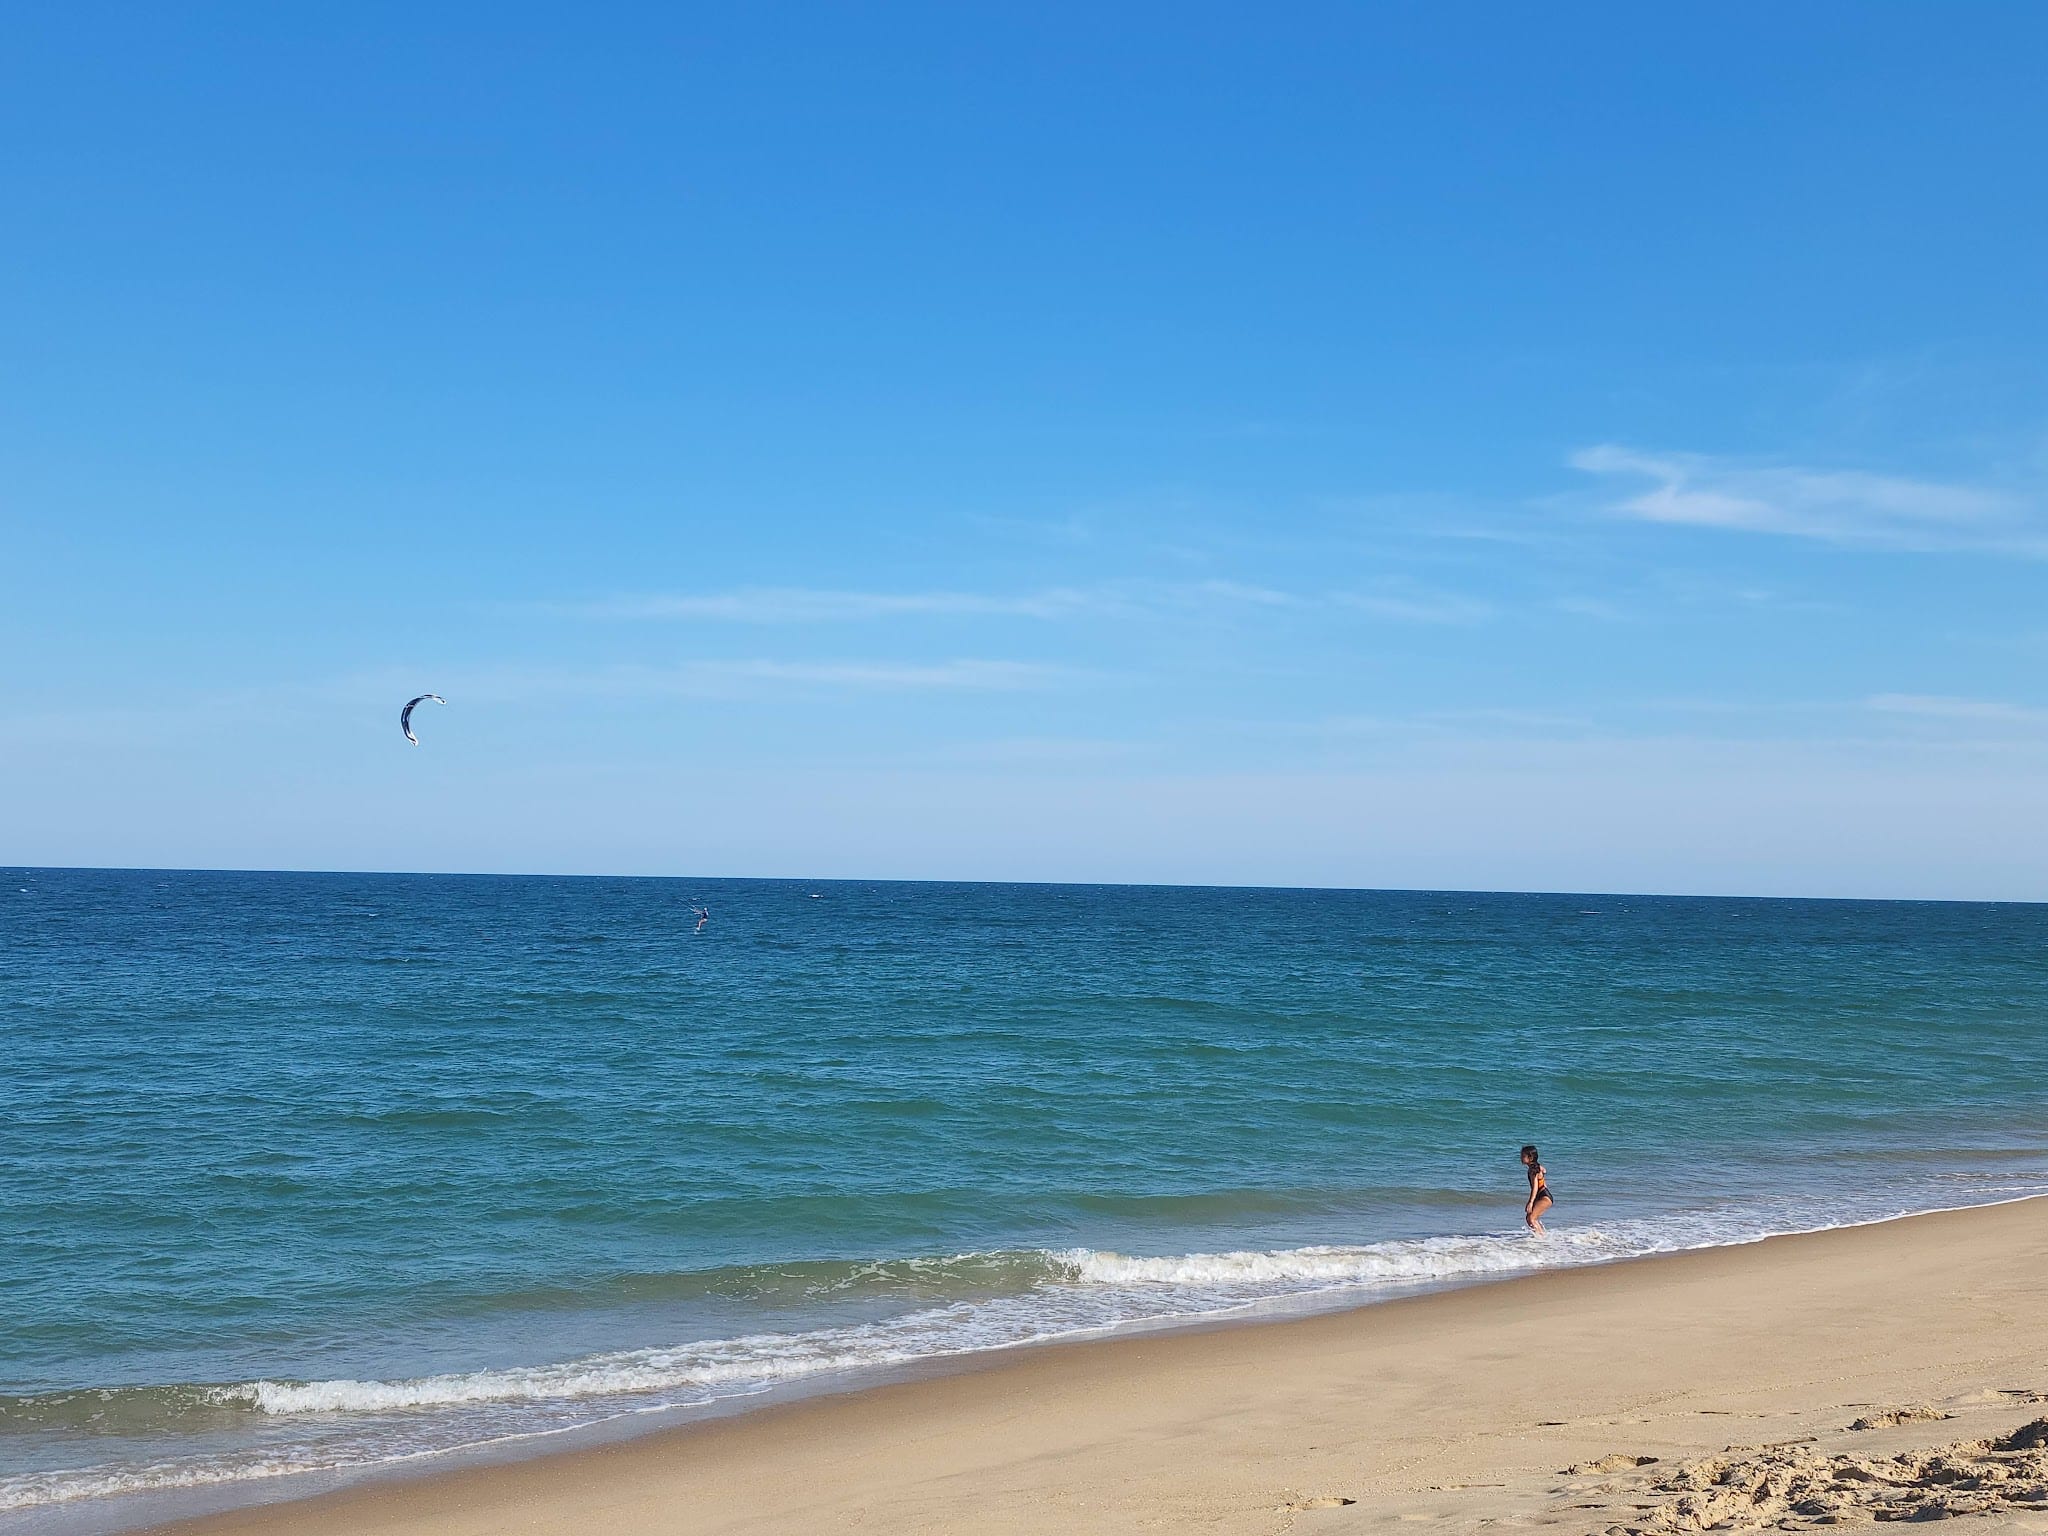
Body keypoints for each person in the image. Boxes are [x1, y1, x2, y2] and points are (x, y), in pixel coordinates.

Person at [1520, 1144, 1554, 1232]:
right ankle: (1541, 1238)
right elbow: (1544, 1170)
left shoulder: (1533, 1170)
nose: (1521, 1157)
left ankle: (1542, 1239)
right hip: (1543, 1195)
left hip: (1544, 1196)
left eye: (1523, 1156)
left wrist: (1530, 1202)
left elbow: (1535, 1188)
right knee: (1529, 1218)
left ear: (1530, 1158)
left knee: (1531, 1218)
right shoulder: (1536, 1167)